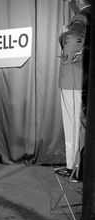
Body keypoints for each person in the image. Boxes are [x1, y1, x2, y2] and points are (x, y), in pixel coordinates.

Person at [56, 0, 91, 179]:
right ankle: (78, 168)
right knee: (80, 125)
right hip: (81, 81)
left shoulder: (81, 17)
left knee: (74, 125)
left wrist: (63, 35)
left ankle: (75, 169)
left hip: (73, 79)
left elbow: (70, 42)